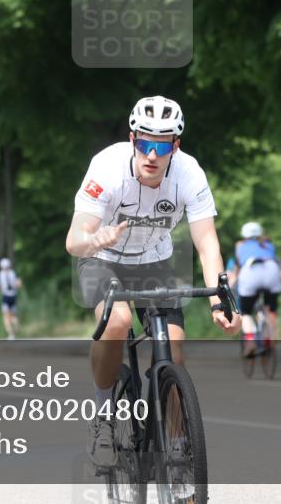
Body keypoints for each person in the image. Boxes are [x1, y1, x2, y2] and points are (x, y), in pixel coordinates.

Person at [65, 95, 240, 467]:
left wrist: (219, 300)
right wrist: (97, 238)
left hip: (154, 260)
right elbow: (73, 242)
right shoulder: (107, 168)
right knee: (119, 321)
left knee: (174, 349)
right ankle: (103, 417)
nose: (151, 155)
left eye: (161, 146)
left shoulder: (189, 174)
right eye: (144, 143)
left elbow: (206, 242)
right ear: (132, 139)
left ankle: (176, 438)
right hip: (102, 258)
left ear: (175, 146)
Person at [234, 221, 281, 356]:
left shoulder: (241, 246)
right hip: (271, 271)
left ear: (244, 235)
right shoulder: (268, 245)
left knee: (245, 312)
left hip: (251, 271)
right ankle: (269, 337)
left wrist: (234, 282)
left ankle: (250, 341)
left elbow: (239, 266)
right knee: (270, 309)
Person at [0, 257, 21, 340]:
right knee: (12, 315)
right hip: (14, 295)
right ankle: (16, 323)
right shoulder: (13, 273)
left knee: (6, 316)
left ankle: (11, 334)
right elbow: (19, 284)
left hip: (5, 296)